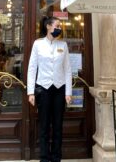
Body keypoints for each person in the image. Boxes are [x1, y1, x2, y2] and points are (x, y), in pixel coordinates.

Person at [27, 16, 72, 162]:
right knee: (44, 125)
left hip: (59, 89)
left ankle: (56, 156)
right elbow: (32, 68)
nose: (59, 28)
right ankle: (44, 157)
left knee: (58, 125)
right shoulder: (38, 44)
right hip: (44, 89)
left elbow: (68, 70)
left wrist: (68, 92)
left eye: (60, 26)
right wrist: (30, 92)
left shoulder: (63, 45)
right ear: (48, 26)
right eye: (57, 25)